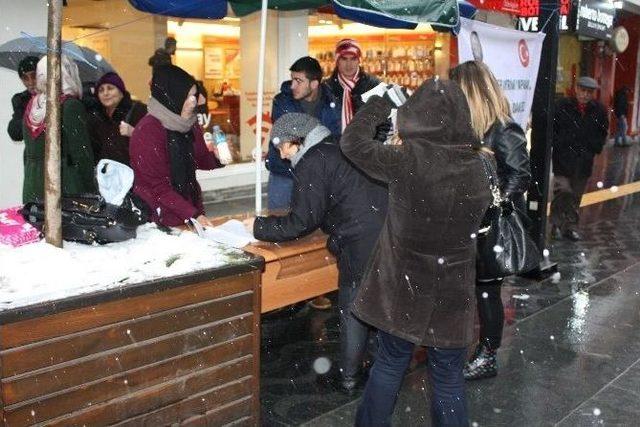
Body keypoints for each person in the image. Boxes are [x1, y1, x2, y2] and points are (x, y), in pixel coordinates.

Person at [341, 78, 492, 426]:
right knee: (449, 378)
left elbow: (352, 143)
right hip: (453, 291)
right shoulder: (478, 168)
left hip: (405, 289)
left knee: (390, 365)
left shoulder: (405, 159)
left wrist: (378, 105)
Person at [245, 112, 388, 393]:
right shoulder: (335, 147)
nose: (282, 156)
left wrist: (258, 226)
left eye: (282, 147)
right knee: (376, 303)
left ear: (296, 141)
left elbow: (301, 221)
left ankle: (349, 376)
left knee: (353, 308)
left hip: (360, 239)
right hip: (382, 231)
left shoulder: (313, 161)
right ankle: (382, 364)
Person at [449, 60, 531, 381]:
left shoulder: (502, 128)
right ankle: (462, 347)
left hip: (488, 227)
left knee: (486, 292)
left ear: (470, 89)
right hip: (463, 224)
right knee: (469, 290)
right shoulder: (468, 126)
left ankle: (487, 355)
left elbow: (520, 176)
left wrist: (489, 205)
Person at [130, 65, 223, 227]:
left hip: (189, 210)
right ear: (172, 97)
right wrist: (192, 214)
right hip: (158, 217)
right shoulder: (147, 131)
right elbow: (157, 187)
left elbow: (199, 160)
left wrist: (217, 158)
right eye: (188, 96)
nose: (194, 102)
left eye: (195, 95)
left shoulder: (189, 124)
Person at [267, 56, 340, 212]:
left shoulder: (332, 103)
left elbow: (334, 138)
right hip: (285, 173)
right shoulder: (282, 101)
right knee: (278, 219)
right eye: (292, 79)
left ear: (314, 84)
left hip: (318, 176)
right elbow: (287, 139)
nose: (292, 85)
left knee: (315, 227)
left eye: (298, 81)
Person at [21, 55, 96, 203]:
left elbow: (28, 153)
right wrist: (91, 190)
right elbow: (81, 155)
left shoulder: (33, 106)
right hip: (64, 188)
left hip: (33, 187)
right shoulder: (70, 106)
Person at [550, 76, 608, 241]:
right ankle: (555, 224)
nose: (585, 95)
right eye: (582, 90)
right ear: (576, 89)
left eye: (589, 92)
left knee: (575, 197)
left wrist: (594, 148)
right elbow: (552, 129)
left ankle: (569, 228)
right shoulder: (562, 106)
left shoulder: (599, 110)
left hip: (583, 162)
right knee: (562, 192)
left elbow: (602, 132)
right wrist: (559, 144)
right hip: (563, 159)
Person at [88, 72, 147, 166]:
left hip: (133, 175)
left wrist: (134, 133)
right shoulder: (97, 119)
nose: (105, 93)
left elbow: (153, 141)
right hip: (107, 176)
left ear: (121, 92)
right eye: (101, 90)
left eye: (110, 88)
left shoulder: (139, 111)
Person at [325, 38, 381, 132]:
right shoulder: (326, 88)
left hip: (365, 145)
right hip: (334, 144)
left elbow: (384, 121)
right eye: (344, 59)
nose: (349, 64)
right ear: (337, 61)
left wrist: (373, 144)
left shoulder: (373, 85)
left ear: (359, 60)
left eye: (353, 58)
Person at [7, 56, 39, 141]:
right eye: (25, 78)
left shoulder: (57, 96)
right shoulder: (21, 99)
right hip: (33, 152)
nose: (31, 82)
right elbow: (16, 133)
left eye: (34, 76)